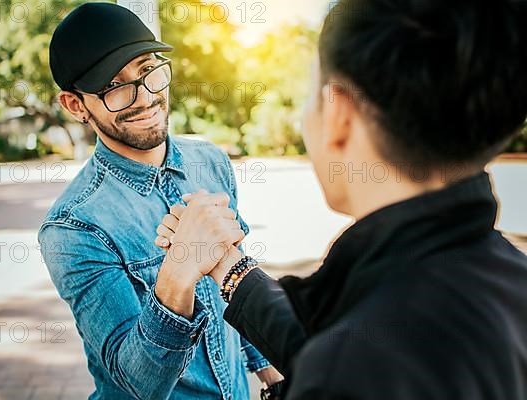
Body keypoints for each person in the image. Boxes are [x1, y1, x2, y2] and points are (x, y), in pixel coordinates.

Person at [154, 0, 527, 398]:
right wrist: (229, 267)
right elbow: (345, 339)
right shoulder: (508, 281)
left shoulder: (345, 370)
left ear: (339, 116)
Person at [38, 3, 281, 400]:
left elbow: (232, 292)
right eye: (115, 86)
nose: (145, 97)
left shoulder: (211, 162)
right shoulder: (74, 226)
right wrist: (179, 269)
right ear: (75, 105)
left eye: (148, 70)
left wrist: (272, 373)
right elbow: (139, 383)